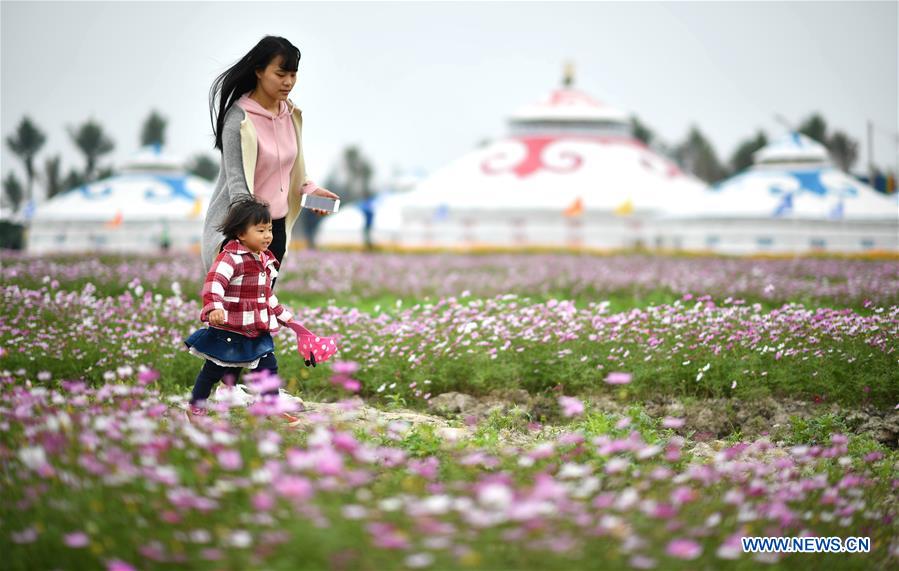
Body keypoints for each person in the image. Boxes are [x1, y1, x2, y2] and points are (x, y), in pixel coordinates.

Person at [205, 35, 339, 284]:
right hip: (243, 232)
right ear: (258, 71)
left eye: (293, 74)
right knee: (236, 315)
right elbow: (237, 188)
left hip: (274, 232)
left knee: (258, 312)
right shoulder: (239, 120)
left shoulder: (290, 114)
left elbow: (290, 170)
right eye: (280, 74)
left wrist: (311, 191)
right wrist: (251, 238)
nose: (288, 82)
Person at [184, 197, 297, 421]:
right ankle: (196, 406)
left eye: (270, 229)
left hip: (256, 327)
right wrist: (214, 307)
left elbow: (265, 294)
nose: (268, 236)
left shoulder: (265, 259)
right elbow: (214, 283)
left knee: (268, 368)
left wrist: (282, 315)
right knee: (213, 369)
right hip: (230, 327)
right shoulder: (230, 258)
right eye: (260, 230)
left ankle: (270, 408)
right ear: (241, 234)